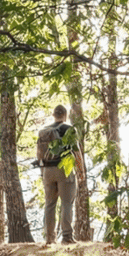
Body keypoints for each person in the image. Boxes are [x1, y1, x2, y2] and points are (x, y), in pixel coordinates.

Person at [36, 105, 85, 245]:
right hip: (64, 169)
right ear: (65, 115)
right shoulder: (69, 129)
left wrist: (42, 172)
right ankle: (67, 237)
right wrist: (81, 171)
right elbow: (76, 151)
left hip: (47, 170)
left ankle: (50, 238)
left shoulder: (43, 131)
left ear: (53, 115)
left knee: (50, 204)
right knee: (66, 203)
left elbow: (39, 154)